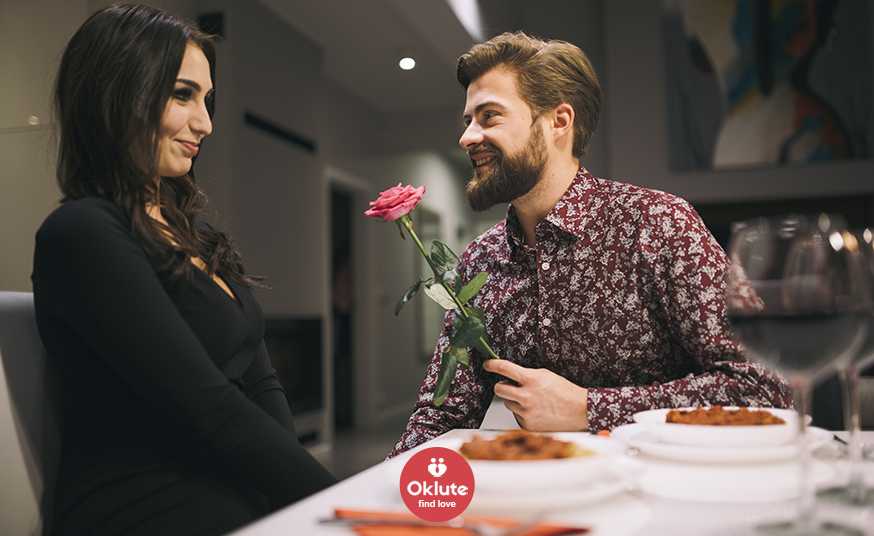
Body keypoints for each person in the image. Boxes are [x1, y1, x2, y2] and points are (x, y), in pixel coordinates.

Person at [390, 32, 792, 456]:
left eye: (489, 117)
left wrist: (589, 407)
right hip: (545, 498)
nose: (467, 137)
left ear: (559, 122)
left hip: (668, 497)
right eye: (468, 120)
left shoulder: (656, 224)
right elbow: (441, 417)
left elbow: (765, 385)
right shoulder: (479, 261)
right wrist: (390, 491)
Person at [32, 5, 335, 534]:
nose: (206, 123)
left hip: (236, 489)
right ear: (119, 94)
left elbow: (261, 383)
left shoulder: (194, 236)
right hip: (152, 506)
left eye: (207, 99)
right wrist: (344, 505)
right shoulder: (81, 234)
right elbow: (209, 408)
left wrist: (314, 499)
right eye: (182, 95)